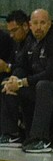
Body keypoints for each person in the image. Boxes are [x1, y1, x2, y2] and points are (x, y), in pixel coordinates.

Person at [0, 9, 53, 153]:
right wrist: (14, 78)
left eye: (43, 23)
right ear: (30, 25)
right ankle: (12, 134)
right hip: (49, 85)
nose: (39, 27)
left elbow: (52, 74)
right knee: (7, 83)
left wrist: (22, 82)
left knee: (43, 86)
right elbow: (22, 65)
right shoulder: (31, 41)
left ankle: (41, 139)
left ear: (49, 24)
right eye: (35, 23)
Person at [0, 11, 36, 145]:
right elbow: (17, 65)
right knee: (5, 83)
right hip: (24, 78)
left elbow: (28, 67)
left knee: (8, 87)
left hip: (34, 81)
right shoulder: (17, 42)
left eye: (14, 30)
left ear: (26, 26)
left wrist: (11, 73)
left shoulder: (33, 42)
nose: (11, 35)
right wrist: (12, 75)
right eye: (9, 31)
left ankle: (12, 133)